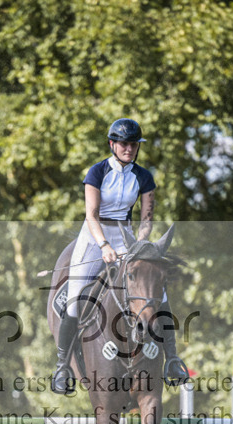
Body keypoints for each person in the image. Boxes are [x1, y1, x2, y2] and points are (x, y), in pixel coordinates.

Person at [51, 118, 189, 395]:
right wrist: (103, 245)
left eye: (134, 144)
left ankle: (172, 360)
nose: (129, 149)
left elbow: (146, 219)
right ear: (113, 144)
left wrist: (140, 245)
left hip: (126, 236)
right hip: (94, 236)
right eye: (124, 144)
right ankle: (61, 367)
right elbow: (91, 215)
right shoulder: (97, 172)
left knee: (157, 294)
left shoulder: (144, 177)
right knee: (77, 297)